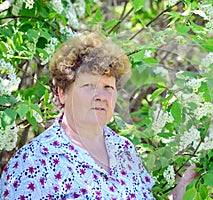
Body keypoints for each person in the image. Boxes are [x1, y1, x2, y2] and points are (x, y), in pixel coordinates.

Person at [0, 32, 197, 199]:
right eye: (89, 86)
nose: (101, 96)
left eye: (108, 87)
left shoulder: (125, 151)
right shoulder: (32, 161)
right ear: (62, 93)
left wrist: (180, 194)